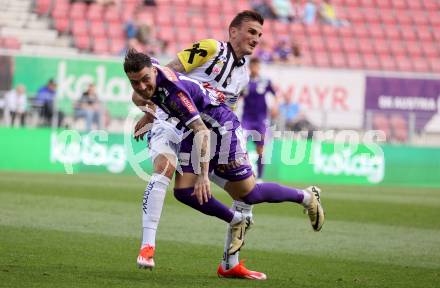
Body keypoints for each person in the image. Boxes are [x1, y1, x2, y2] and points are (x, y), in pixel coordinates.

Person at [124, 49, 325, 280]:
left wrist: (202, 176)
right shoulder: (150, 69)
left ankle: (307, 197)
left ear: (153, 71)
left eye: (144, 80)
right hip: (196, 130)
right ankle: (236, 220)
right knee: (183, 192)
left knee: (248, 193)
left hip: (221, 129)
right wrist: (149, 113)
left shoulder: (173, 92)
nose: (140, 86)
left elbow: (202, 131)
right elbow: (142, 97)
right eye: (134, 82)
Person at [133, 11, 269, 277]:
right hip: (168, 121)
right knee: (164, 169)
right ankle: (147, 246)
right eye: (251, 32)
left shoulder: (243, 75)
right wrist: (150, 111)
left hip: (198, 133)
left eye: (259, 35)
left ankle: (231, 260)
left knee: (240, 191)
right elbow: (166, 73)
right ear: (233, 32)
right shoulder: (209, 48)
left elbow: (224, 108)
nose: (256, 39)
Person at [241, 58, 276, 181]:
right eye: (253, 66)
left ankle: (260, 178)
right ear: (250, 67)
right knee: (240, 145)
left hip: (261, 120)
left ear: (259, 67)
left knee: (260, 149)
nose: (255, 68)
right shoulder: (244, 81)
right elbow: (237, 97)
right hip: (246, 120)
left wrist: (275, 107)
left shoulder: (266, 81)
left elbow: (275, 95)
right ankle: (244, 174)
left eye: (257, 65)